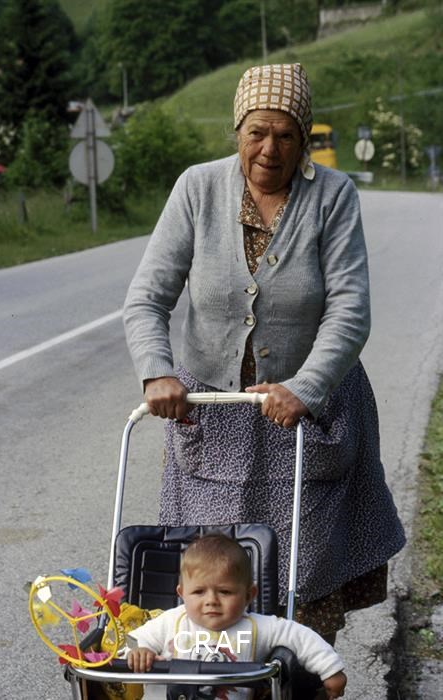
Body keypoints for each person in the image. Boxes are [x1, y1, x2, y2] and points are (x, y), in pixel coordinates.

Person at [123, 63, 406, 644]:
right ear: (237, 131)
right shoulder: (198, 188)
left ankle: (302, 672)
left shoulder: (333, 196)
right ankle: (220, 675)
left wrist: (306, 387)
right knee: (212, 569)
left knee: (305, 573)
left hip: (305, 412)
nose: (269, 149)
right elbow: (147, 298)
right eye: (257, 132)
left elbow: (350, 311)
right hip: (214, 417)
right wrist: (156, 373)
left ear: (303, 139)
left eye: (285, 135)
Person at [126, 534, 347, 700]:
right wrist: (139, 652)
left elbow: (301, 637)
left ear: (249, 595)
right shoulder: (171, 621)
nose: (211, 600)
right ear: (182, 594)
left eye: (225, 592)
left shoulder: (258, 627)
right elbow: (132, 640)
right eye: (198, 592)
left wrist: (330, 669)